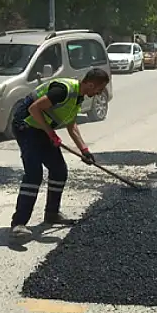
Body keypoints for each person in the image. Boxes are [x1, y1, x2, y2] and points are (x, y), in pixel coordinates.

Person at [9, 68, 110, 239]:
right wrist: (51, 134)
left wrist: (84, 150)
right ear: (91, 84)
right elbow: (34, 109)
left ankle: (52, 214)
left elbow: (72, 125)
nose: (99, 93)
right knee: (34, 174)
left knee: (59, 171)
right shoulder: (64, 90)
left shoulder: (78, 97)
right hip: (26, 126)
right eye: (99, 89)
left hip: (41, 129)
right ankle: (19, 224)